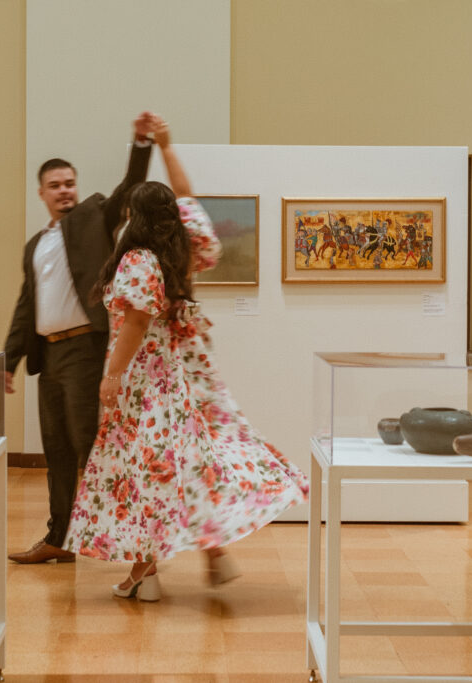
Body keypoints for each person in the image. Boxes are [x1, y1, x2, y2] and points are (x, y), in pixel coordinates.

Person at [64, 116, 309, 601]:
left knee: (147, 470)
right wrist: (168, 146)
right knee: (187, 463)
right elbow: (187, 193)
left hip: (144, 381)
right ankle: (181, 559)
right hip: (182, 373)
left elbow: (134, 323)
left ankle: (149, 570)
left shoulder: (137, 260)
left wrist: (111, 375)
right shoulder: (185, 246)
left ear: (134, 216)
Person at [4, 113, 155, 564]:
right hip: (48, 358)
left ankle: (135, 542)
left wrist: (141, 144)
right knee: (58, 450)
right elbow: (27, 304)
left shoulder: (94, 215)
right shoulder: (35, 245)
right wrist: (8, 361)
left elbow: (129, 188)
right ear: (42, 193)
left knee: (94, 446)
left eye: (69, 182)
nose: (65, 190)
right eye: (55, 185)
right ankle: (60, 538)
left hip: (86, 350)